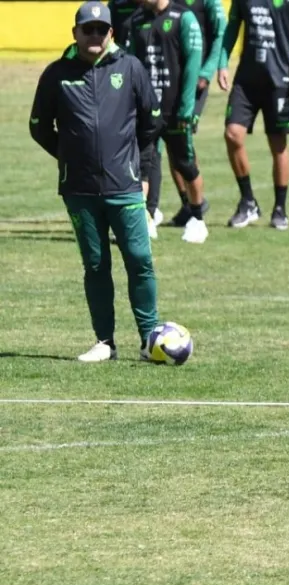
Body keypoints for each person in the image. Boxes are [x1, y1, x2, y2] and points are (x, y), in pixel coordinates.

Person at [29, 0, 161, 362]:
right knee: (96, 264)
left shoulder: (130, 67)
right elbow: (39, 127)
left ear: (111, 33)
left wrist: (139, 171)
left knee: (139, 259)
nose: (95, 35)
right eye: (88, 29)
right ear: (75, 32)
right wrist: (70, 158)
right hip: (79, 190)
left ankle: (150, 339)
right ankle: (105, 342)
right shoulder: (56, 74)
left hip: (125, 187)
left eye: (101, 30)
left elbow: (150, 124)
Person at [216, 0, 289, 231]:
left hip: (278, 80)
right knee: (232, 134)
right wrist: (222, 63)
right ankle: (248, 201)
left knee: (278, 144)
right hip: (246, 82)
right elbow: (232, 26)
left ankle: (280, 209)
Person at [128, 0, 209, 244]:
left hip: (174, 111)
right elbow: (132, 64)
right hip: (147, 112)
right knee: (143, 166)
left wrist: (186, 108)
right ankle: (145, 219)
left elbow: (192, 66)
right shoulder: (137, 20)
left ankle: (197, 219)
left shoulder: (183, 19)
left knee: (185, 164)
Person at [161, 0, 227, 229]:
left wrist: (209, 71)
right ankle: (187, 203)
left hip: (197, 79)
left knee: (182, 138)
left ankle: (195, 205)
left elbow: (220, 33)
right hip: (171, 80)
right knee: (170, 142)